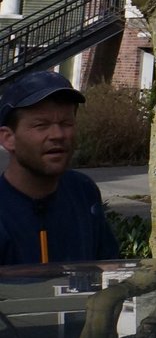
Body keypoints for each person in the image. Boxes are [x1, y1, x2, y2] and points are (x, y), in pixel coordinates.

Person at [0, 72, 118, 264]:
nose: (58, 134)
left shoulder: (82, 191)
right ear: (8, 138)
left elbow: (107, 268)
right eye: (41, 125)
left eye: (66, 123)